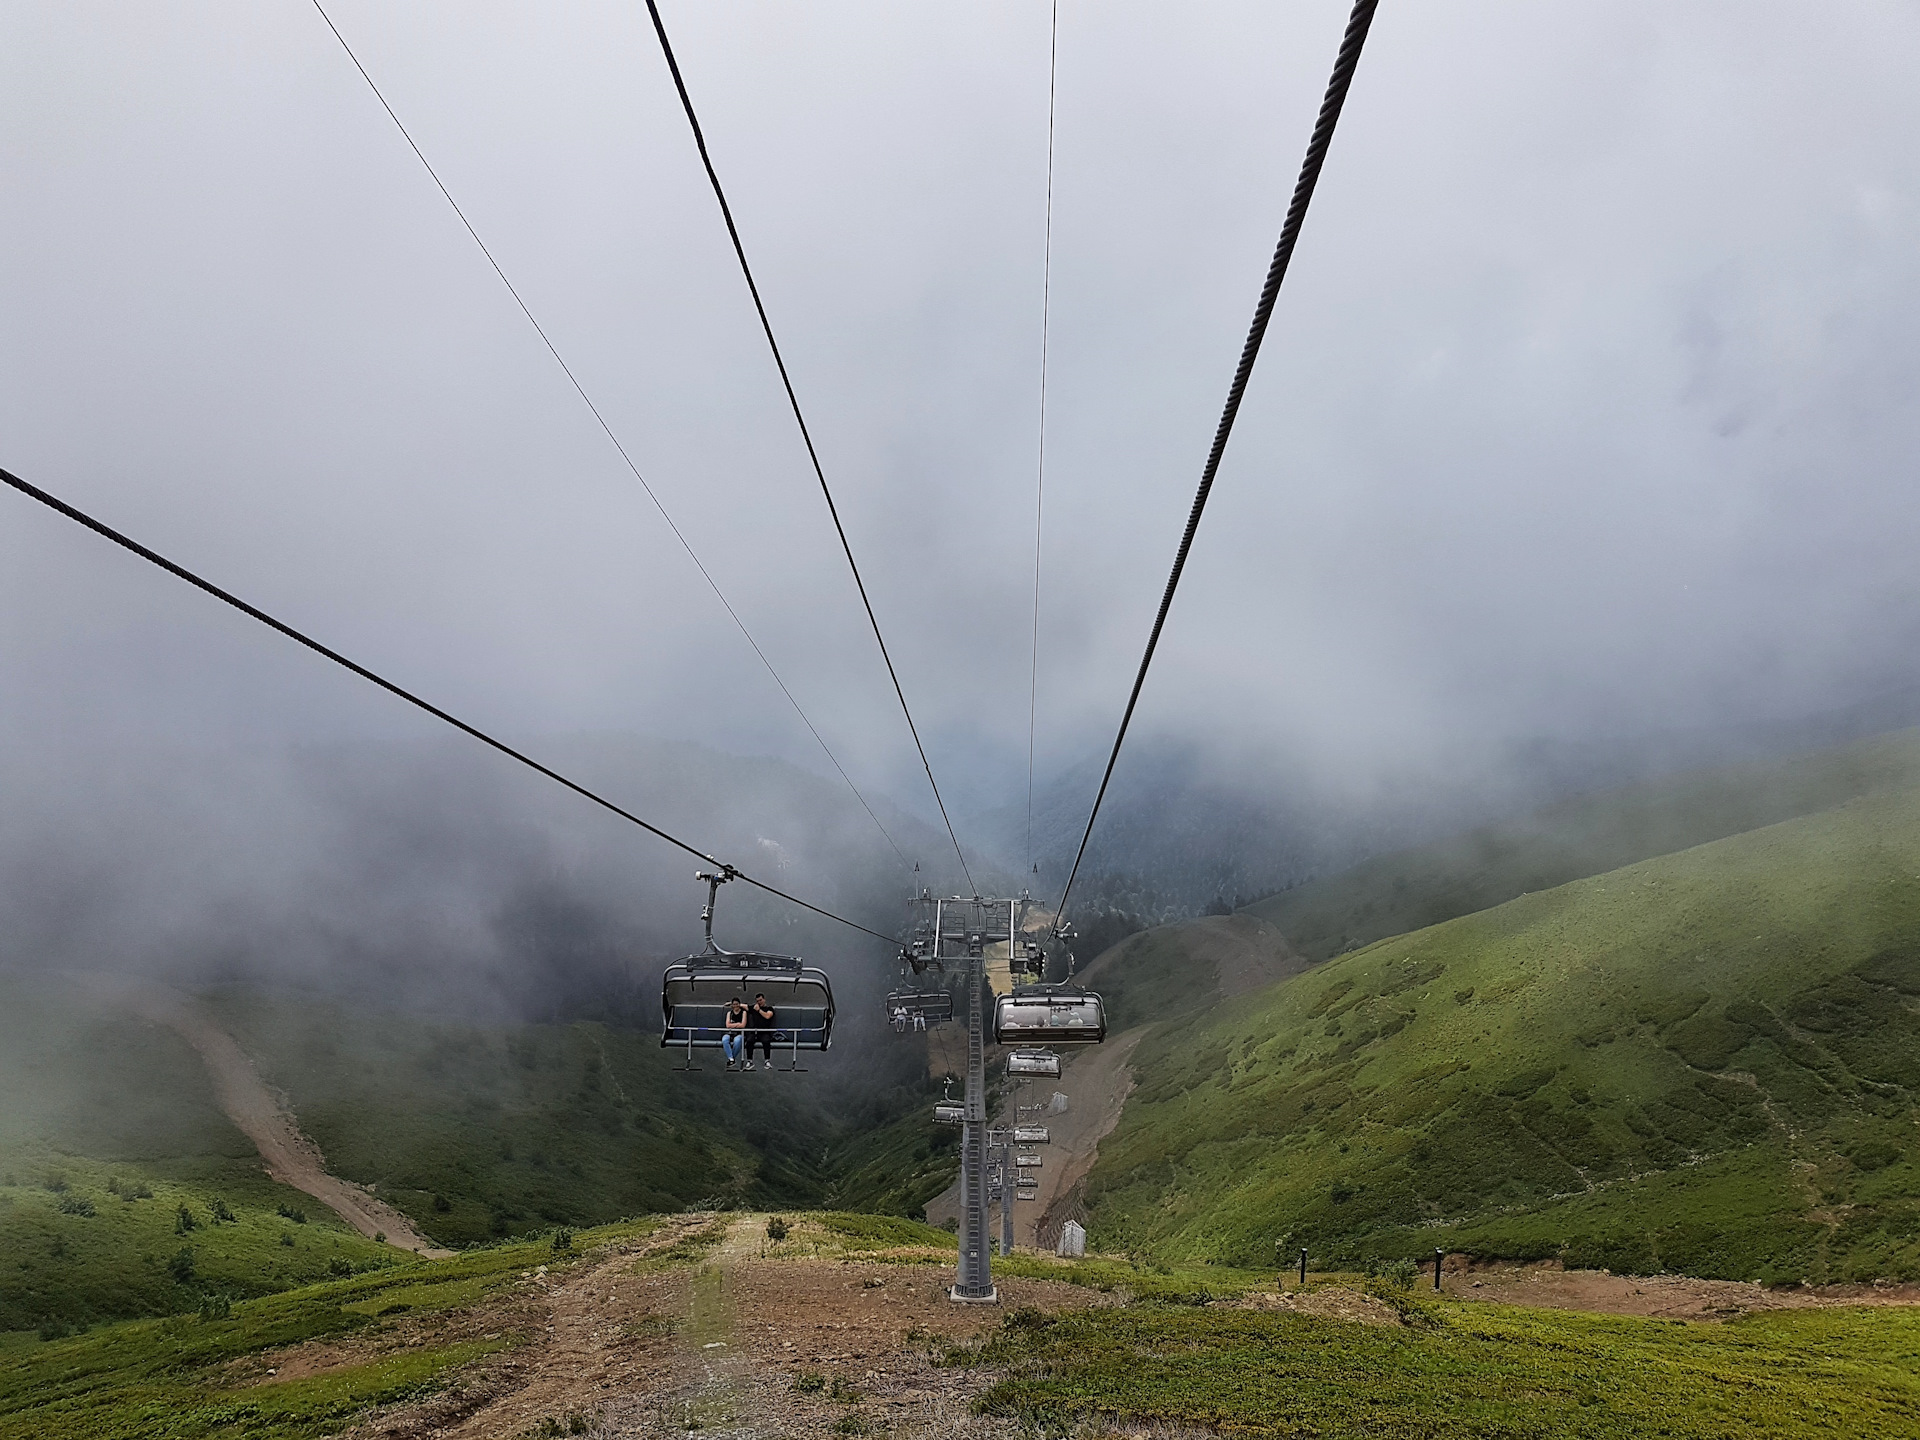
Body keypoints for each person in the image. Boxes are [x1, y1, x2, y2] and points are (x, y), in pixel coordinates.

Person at [746, 992, 777, 1070]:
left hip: (764, 1031)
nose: (759, 1002)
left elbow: (767, 1016)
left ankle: (767, 1061)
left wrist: (759, 1010)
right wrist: (732, 1004)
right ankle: (749, 1060)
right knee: (749, 1041)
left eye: (760, 1000)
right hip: (755, 1031)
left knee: (766, 1041)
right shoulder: (753, 1008)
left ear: (764, 999)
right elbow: (744, 1006)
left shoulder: (769, 1009)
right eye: (758, 1001)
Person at [721, 997, 748, 1069]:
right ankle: (731, 1058)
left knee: (737, 1040)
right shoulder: (729, 1013)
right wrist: (737, 1024)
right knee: (724, 1039)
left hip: (740, 1033)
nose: (735, 1006)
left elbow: (743, 1025)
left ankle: (731, 1058)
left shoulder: (743, 1012)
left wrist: (733, 1025)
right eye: (734, 1004)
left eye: (737, 1004)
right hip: (730, 1032)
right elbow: (728, 1025)